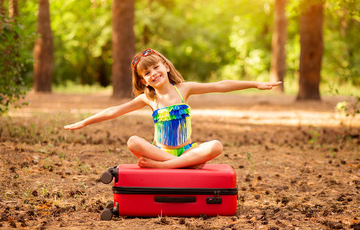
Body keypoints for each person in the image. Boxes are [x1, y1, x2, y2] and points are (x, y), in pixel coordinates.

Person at [64, 48, 282, 169]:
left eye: (156, 67)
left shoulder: (183, 90)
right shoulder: (147, 99)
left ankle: (168, 166)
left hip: (186, 149)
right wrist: (85, 121)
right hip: (160, 152)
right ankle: (182, 165)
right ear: (144, 81)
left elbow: (220, 85)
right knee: (133, 141)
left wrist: (255, 84)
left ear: (166, 67)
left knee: (215, 145)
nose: (153, 73)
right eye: (146, 73)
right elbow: (114, 110)